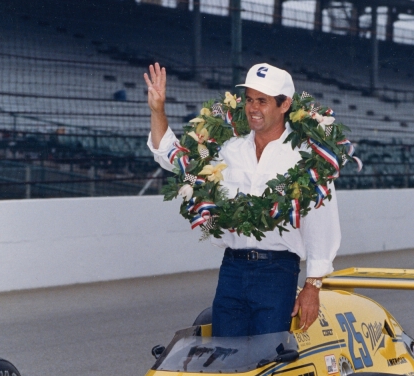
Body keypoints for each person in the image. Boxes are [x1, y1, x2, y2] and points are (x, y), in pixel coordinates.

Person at [144, 62, 341, 337]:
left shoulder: (305, 157)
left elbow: (322, 222)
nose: (253, 108)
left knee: (268, 360)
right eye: (249, 99)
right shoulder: (228, 148)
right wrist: (157, 110)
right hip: (232, 269)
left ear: (284, 105)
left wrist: (312, 287)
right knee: (226, 357)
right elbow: (173, 158)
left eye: (262, 101)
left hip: (277, 272)